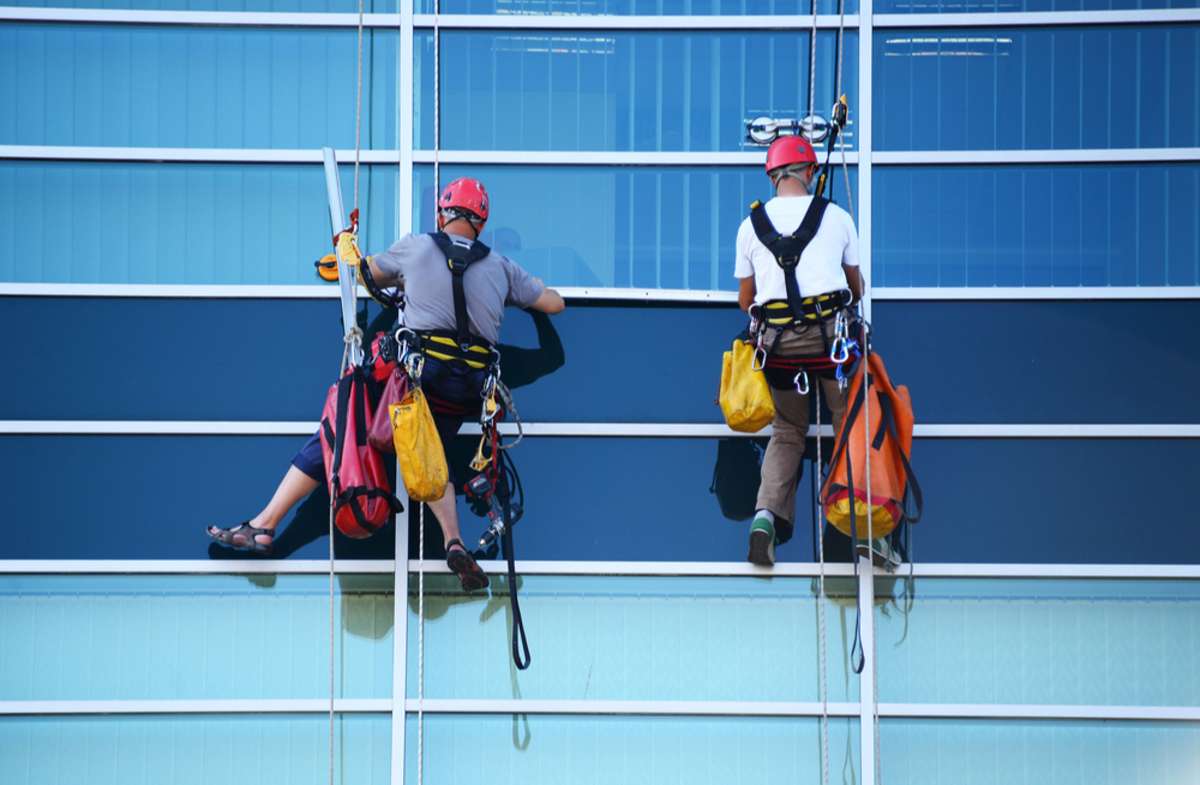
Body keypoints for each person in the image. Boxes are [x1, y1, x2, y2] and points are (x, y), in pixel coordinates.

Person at [208, 177, 566, 590]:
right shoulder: (502, 267)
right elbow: (553, 303)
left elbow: (367, 273)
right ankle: (453, 540)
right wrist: (518, 296)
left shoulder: (417, 247)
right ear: (481, 221)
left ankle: (265, 523)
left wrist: (348, 251)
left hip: (416, 379)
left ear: (442, 213)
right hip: (466, 389)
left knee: (340, 424)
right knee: (432, 453)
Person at [734, 135, 871, 568]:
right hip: (831, 347)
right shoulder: (836, 217)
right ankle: (860, 521)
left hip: (778, 351)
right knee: (848, 422)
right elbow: (856, 287)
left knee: (788, 431)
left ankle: (764, 520)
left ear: (773, 176)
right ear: (809, 172)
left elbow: (745, 299)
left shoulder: (749, 226)